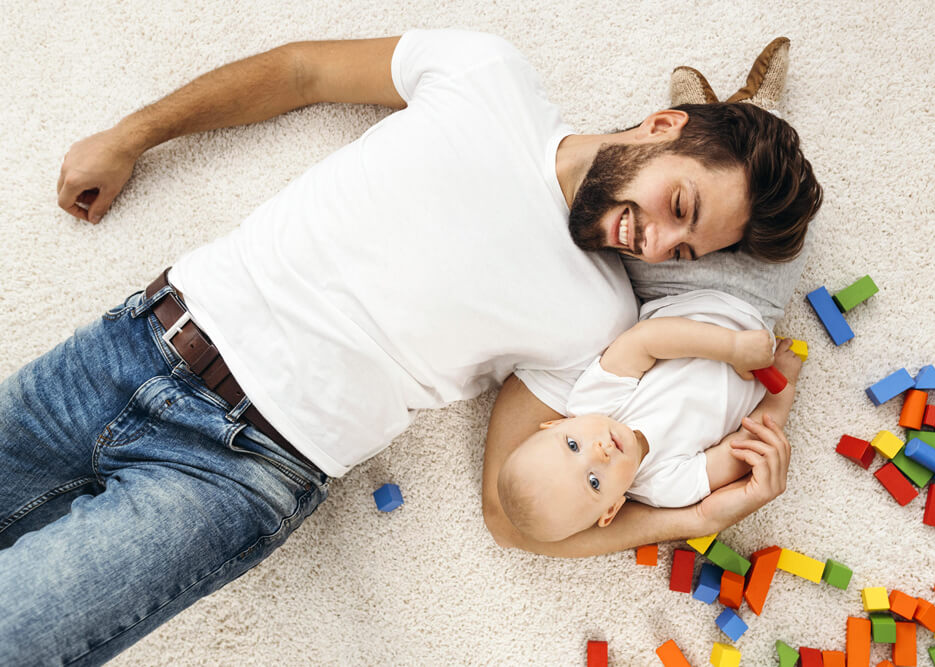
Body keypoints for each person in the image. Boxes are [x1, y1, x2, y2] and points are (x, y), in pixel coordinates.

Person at [2, 30, 821, 663]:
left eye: (681, 252)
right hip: (135, 341)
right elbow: (301, 74)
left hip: (241, 468)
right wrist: (133, 134)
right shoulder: (488, 77)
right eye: (676, 202)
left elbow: (514, 516)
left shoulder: (601, 322)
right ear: (662, 124)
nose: (651, 240)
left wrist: (704, 513)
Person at [495, 289, 804, 544]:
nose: (599, 453)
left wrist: (732, 347)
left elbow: (646, 341)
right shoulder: (665, 487)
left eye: (573, 445)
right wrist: (783, 388)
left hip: (699, 295)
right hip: (762, 332)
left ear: (558, 423)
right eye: (593, 481)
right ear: (613, 509)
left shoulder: (592, 401)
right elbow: (746, 447)